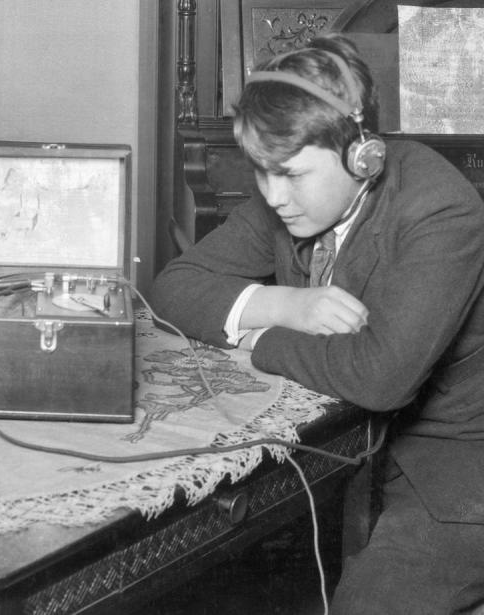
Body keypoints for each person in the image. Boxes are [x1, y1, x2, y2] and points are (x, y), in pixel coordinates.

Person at [150, 34, 484, 614]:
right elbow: (172, 287)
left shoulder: (441, 209)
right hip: (338, 443)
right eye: (261, 172)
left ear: (364, 156)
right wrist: (287, 307)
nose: (274, 194)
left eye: (292, 174)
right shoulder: (288, 196)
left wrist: (259, 342)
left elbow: (381, 376)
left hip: (450, 466)